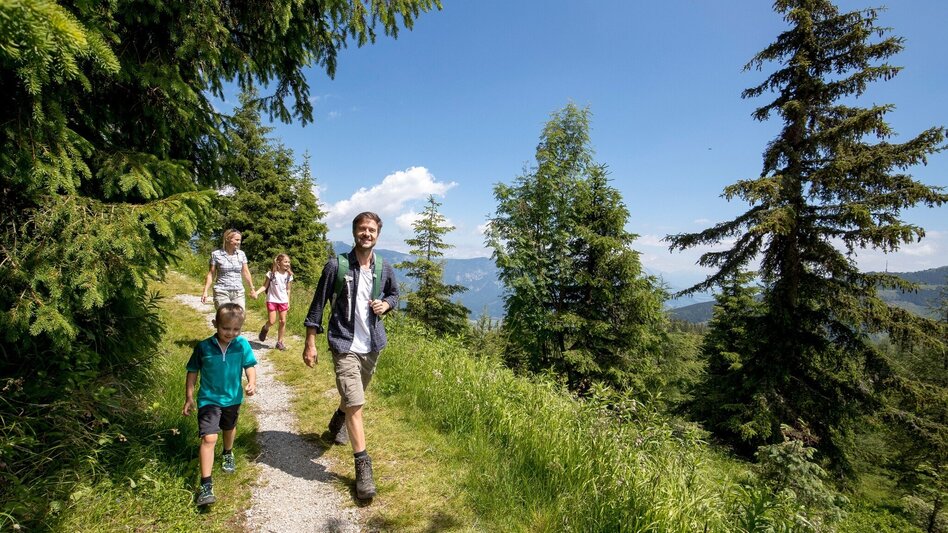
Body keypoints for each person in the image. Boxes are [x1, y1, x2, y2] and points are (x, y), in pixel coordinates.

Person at [302, 212, 398, 501]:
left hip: (372, 345)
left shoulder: (384, 267)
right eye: (362, 229)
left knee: (351, 399)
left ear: (377, 235)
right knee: (356, 403)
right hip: (344, 344)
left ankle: (337, 421)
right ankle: (363, 467)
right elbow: (318, 304)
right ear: (354, 232)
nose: (366, 234)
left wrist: (386, 304)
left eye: (371, 230)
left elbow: (394, 294)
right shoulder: (337, 265)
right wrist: (310, 342)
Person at [182, 303, 258, 506]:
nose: (230, 333)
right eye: (226, 328)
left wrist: (252, 381)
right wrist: (189, 397)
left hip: (232, 398)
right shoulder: (203, 347)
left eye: (235, 329)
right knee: (209, 437)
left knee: (229, 427)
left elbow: (249, 365)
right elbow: (192, 371)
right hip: (209, 399)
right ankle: (206, 486)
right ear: (215, 324)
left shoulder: (242, 345)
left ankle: (227, 453)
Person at [201, 229, 256, 309]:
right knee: (225, 318)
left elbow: (246, 272)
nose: (239, 242)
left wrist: (252, 289)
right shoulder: (216, 254)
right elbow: (211, 274)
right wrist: (205, 291)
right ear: (227, 239)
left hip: (238, 291)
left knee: (239, 317)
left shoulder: (241, 254)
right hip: (221, 291)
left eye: (240, 240)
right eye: (236, 240)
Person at [253, 253, 294, 350]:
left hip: (283, 300)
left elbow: (288, 289)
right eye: (285, 262)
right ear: (279, 262)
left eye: (288, 262)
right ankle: (265, 328)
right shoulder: (271, 274)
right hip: (272, 300)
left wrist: (288, 301)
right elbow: (265, 286)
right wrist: (257, 293)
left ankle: (279, 342)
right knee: (272, 321)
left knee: (283, 321)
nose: (287, 264)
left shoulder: (289, 276)